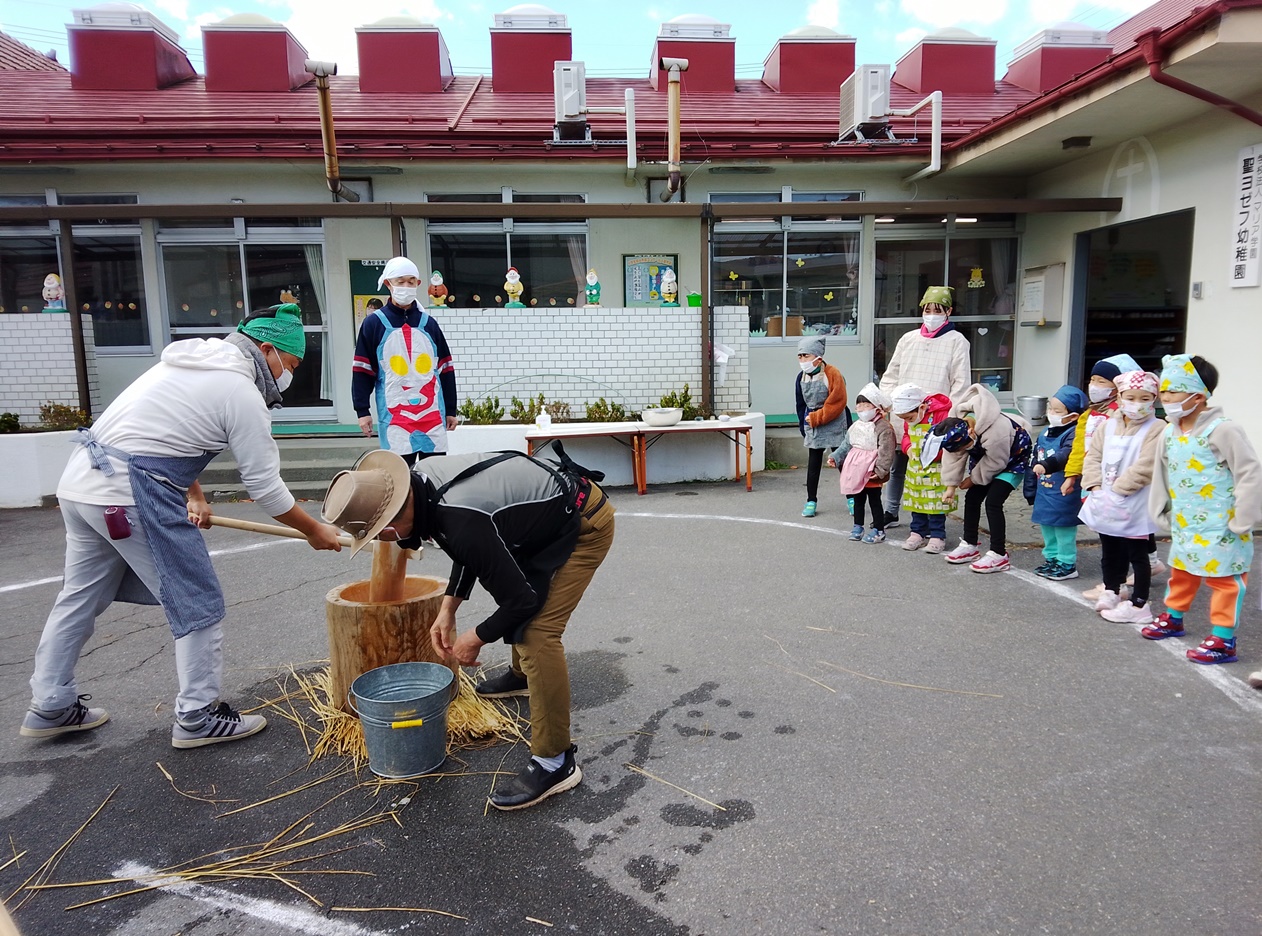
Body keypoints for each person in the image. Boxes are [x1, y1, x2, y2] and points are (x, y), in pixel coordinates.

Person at [21, 305, 345, 748]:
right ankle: (198, 715)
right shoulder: (240, 391)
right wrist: (313, 530)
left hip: (82, 486)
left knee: (80, 596)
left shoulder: (188, 364)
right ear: (267, 349)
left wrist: (195, 494)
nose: (289, 374)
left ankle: (50, 703)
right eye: (291, 364)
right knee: (196, 600)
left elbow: (161, 433)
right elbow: (266, 489)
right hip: (129, 493)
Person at [322, 443, 615, 810]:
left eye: (379, 533)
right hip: (537, 523)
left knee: (538, 633)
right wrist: (448, 608)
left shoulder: (459, 519)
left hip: (584, 522)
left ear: (393, 523)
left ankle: (555, 761)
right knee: (515, 590)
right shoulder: (422, 485)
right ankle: (523, 676)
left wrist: (476, 638)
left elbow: (519, 599)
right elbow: (467, 545)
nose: (385, 540)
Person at [1145, 355, 1262, 664]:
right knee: (1182, 571)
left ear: (1198, 396)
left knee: (1225, 579)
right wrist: (1160, 509)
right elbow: (1162, 473)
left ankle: (1224, 639)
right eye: (1163, 390)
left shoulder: (1224, 430)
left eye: (1173, 391)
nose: (1165, 397)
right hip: (1186, 522)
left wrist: (1244, 518)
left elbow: (1249, 472)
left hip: (1224, 524)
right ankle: (1173, 617)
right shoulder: (1170, 432)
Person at [1062, 353, 1165, 600]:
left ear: (1154, 399)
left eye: (1144, 398)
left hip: (1136, 498)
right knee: (1109, 547)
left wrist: (1118, 490)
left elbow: (1147, 465)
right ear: (1120, 397)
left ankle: (1138, 602)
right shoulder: (1105, 423)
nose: (1136, 403)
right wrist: (1094, 486)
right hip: (1104, 494)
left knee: (1136, 551)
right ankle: (1112, 588)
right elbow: (1091, 454)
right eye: (1130, 398)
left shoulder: (1158, 428)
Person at [878, 286, 972, 529]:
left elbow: (960, 382)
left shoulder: (957, 341)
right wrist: (889, 402)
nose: (931, 315)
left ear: (948, 311)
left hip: (937, 416)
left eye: (937, 310)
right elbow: (891, 374)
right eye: (927, 310)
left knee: (933, 469)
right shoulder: (908, 339)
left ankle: (932, 521)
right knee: (900, 464)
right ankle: (891, 511)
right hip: (905, 413)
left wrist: (951, 417)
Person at [352, 256, 458, 465]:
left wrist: (451, 409)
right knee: (400, 472)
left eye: (411, 282)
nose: (406, 287)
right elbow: (362, 370)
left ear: (418, 284)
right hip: (395, 413)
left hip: (432, 413)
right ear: (388, 284)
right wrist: (362, 410)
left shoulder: (429, 323)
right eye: (400, 282)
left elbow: (445, 368)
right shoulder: (374, 324)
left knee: (435, 472)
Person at [936, 384, 1033, 574]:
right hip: (985, 458)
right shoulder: (956, 425)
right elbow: (953, 456)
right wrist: (951, 487)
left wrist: (973, 479)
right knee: (972, 498)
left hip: (1013, 460)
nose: (961, 451)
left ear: (971, 434)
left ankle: (999, 554)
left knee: (993, 502)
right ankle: (969, 545)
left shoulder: (996, 431)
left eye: (964, 447)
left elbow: (996, 462)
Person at [1024, 385, 1089, 581]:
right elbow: (1034, 459)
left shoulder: (1074, 433)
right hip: (1044, 491)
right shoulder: (1045, 431)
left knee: (1063, 528)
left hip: (1063, 491)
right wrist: (1030, 487)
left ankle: (1067, 562)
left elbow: (1065, 454)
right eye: (1050, 408)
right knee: (1047, 526)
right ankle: (1051, 558)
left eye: (1057, 410)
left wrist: (1047, 465)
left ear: (1073, 416)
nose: (1051, 413)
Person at [890, 383, 954, 553]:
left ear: (922, 408)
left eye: (909, 418)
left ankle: (937, 535)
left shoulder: (942, 415)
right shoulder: (910, 420)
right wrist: (908, 447)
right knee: (916, 501)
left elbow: (949, 439)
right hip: (916, 469)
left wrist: (936, 454)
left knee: (936, 503)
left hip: (937, 468)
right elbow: (907, 435)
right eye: (903, 419)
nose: (907, 422)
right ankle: (917, 532)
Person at [831, 383, 895, 544]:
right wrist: (835, 457)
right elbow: (846, 445)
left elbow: (886, 451)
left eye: (866, 405)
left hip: (872, 469)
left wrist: (880, 470)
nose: (862, 409)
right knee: (858, 499)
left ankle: (879, 530)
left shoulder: (884, 427)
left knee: (874, 500)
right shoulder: (856, 426)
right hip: (856, 469)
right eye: (859, 406)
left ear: (877, 407)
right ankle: (858, 526)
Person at [794, 336, 848, 518]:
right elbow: (800, 404)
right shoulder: (801, 377)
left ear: (818, 357)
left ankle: (852, 498)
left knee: (842, 461)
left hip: (835, 421)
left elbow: (838, 402)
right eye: (800, 356)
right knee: (814, 463)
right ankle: (811, 500)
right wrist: (804, 426)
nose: (803, 360)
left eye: (806, 356)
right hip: (813, 422)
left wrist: (818, 417)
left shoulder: (832, 373)